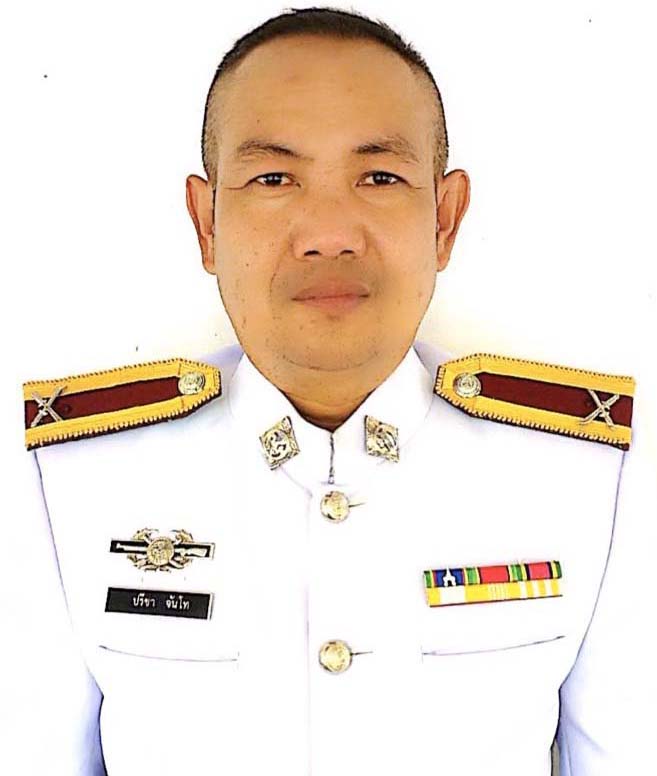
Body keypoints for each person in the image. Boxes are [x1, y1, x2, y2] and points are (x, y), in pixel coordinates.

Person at [9, 7, 656, 776]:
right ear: (206, 223)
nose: (328, 233)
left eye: (378, 177)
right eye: (273, 178)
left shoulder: (588, 472)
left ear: (445, 219)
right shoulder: (68, 473)